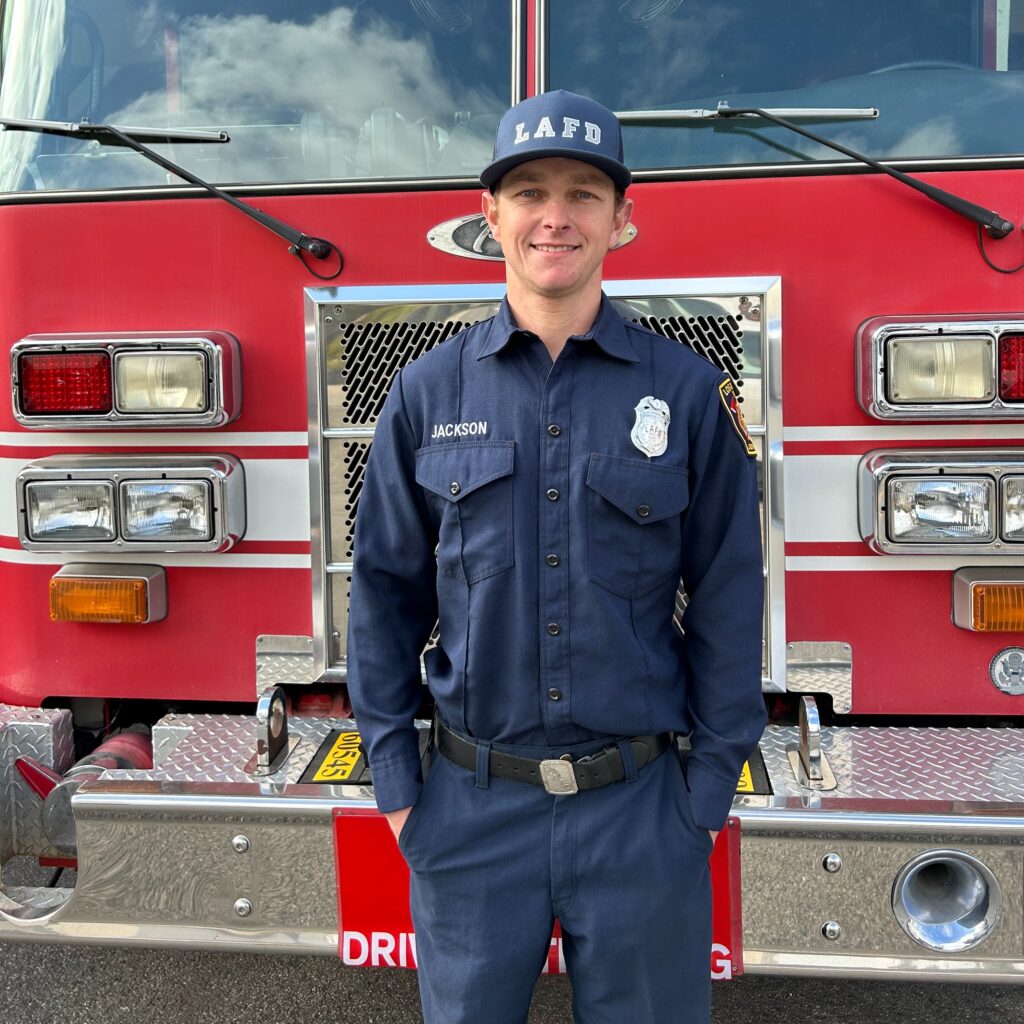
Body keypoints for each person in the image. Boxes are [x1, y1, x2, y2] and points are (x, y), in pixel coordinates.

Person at [346, 89, 766, 1024]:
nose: (555, 215)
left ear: (623, 220)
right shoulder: (425, 391)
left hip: (641, 816)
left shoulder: (686, 392)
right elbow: (382, 593)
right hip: (467, 812)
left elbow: (732, 592)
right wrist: (399, 788)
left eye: (584, 192)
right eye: (529, 191)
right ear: (488, 215)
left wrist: (704, 793)